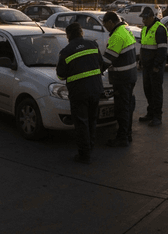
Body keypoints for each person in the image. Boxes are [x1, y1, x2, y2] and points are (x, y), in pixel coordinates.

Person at [56, 22, 105, 164]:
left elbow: (60, 75)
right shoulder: (93, 45)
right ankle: (90, 147)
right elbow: (100, 64)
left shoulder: (66, 52)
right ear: (81, 33)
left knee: (81, 123)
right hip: (95, 89)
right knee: (92, 120)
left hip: (78, 92)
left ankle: (84, 155)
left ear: (68, 35)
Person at [101, 11, 138, 147]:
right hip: (130, 76)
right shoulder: (126, 30)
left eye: (105, 25)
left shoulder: (117, 36)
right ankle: (127, 134)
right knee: (127, 107)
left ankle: (122, 138)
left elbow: (107, 60)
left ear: (110, 22)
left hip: (122, 78)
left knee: (121, 109)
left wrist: (95, 71)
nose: (105, 28)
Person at [139, 7, 168, 127]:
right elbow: (144, 47)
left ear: (151, 17)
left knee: (156, 92)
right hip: (146, 66)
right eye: (142, 18)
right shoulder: (144, 29)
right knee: (148, 90)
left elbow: (162, 51)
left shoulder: (160, 29)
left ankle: (157, 117)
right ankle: (150, 113)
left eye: (145, 18)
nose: (143, 21)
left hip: (155, 68)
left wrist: (156, 66)